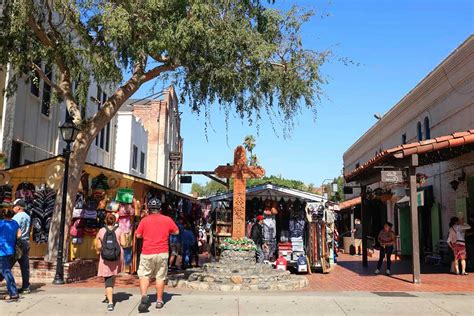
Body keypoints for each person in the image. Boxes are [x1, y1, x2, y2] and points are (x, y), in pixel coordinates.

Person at [135, 197, 179, 312]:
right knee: (160, 277)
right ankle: (159, 300)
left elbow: (138, 235)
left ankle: (144, 296)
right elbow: (176, 231)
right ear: (160, 209)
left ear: (149, 209)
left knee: (144, 275)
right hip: (162, 252)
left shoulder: (144, 220)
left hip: (147, 252)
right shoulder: (167, 219)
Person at [96, 213, 127, 312]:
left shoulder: (101, 231)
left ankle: (110, 302)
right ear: (115, 221)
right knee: (112, 275)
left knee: (107, 279)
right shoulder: (119, 230)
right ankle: (108, 296)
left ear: (105, 220)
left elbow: (98, 246)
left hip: (105, 258)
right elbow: (123, 244)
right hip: (117, 257)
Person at [0, 208, 21, 301]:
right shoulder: (15, 223)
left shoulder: (1, 223)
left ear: (3, 215)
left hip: (2, 250)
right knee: (4, 270)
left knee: (6, 271)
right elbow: (19, 235)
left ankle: (13, 292)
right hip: (10, 249)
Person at [12, 199, 31, 294]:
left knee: (6, 264)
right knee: (25, 266)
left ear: (18, 207)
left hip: (18, 243)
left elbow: (14, 230)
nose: (13, 208)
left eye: (14, 206)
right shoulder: (28, 216)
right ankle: (26, 287)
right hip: (26, 242)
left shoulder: (16, 217)